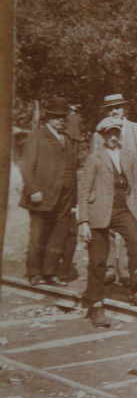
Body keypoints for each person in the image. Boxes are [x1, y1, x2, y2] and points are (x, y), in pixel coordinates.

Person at [78, 117, 137, 327]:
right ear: (103, 136)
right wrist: (83, 221)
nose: (113, 137)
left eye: (116, 133)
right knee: (98, 260)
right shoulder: (95, 158)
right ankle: (96, 306)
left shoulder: (127, 156)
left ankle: (136, 289)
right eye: (109, 134)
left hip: (120, 210)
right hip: (98, 211)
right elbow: (83, 189)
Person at [20, 96, 78, 287]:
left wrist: (74, 201)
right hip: (41, 196)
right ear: (49, 118)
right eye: (57, 117)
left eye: (63, 117)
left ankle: (50, 272)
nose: (61, 121)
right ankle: (34, 272)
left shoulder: (68, 140)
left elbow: (72, 170)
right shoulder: (37, 136)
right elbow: (27, 166)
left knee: (57, 236)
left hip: (64, 198)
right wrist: (33, 190)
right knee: (38, 236)